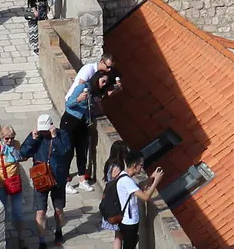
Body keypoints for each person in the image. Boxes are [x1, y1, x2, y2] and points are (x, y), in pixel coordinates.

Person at [61, 54, 114, 193]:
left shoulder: (94, 92)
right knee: (68, 151)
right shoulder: (82, 87)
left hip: (82, 123)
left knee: (82, 151)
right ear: (97, 80)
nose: (104, 84)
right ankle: (65, 182)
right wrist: (78, 99)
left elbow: (100, 99)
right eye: (103, 82)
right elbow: (68, 104)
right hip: (70, 120)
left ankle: (82, 179)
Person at [20, 112, 73, 247]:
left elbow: (65, 151)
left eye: (45, 130)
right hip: (41, 178)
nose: (44, 133)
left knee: (58, 209)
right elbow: (23, 153)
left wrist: (54, 137)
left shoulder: (62, 135)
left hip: (58, 179)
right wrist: (32, 139)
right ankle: (42, 241)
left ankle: (59, 231)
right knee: (40, 211)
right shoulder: (36, 137)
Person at [116, 152, 165, 249]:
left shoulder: (124, 175)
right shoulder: (127, 181)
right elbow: (145, 197)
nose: (142, 168)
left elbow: (137, 187)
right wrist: (156, 182)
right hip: (129, 222)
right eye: (141, 165)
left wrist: (151, 177)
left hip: (125, 219)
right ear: (135, 165)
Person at [0, 126, 26, 240]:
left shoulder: (16, 145)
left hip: (15, 183)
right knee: (3, 212)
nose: (10, 141)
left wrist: (17, 154)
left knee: (18, 211)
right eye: (7, 138)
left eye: (12, 138)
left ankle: (21, 237)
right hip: (1, 184)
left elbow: (22, 158)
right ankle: (3, 237)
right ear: (2, 137)